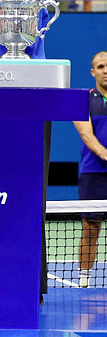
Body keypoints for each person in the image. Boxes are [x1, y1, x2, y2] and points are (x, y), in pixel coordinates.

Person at [75, 52, 107, 287]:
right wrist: (105, 153)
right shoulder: (83, 100)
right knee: (91, 228)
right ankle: (84, 279)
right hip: (94, 173)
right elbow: (86, 134)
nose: (106, 70)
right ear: (93, 72)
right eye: (101, 66)